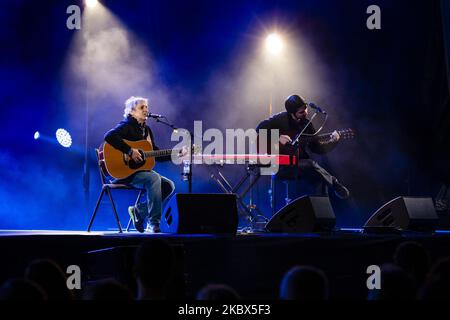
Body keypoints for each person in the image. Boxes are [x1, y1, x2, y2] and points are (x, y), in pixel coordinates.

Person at [104, 96, 185, 233]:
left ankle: (139, 210)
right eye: (142, 107)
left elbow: (155, 154)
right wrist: (129, 151)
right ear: (132, 111)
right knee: (154, 178)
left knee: (168, 186)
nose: (146, 110)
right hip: (123, 173)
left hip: (139, 172)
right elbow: (109, 136)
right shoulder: (127, 125)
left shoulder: (147, 131)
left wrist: (177, 154)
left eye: (147, 107)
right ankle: (154, 223)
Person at [256, 94, 350, 208]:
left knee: (321, 179)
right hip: (280, 166)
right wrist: (278, 137)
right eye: (301, 112)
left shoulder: (307, 124)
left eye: (305, 109)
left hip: (299, 165)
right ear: (292, 113)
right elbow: (259, 128)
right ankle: (335, 183)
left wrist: (334, 141)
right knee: (310, 164)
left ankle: (323, 219)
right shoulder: (281, 119)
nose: (305, 113)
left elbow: (318, 148)